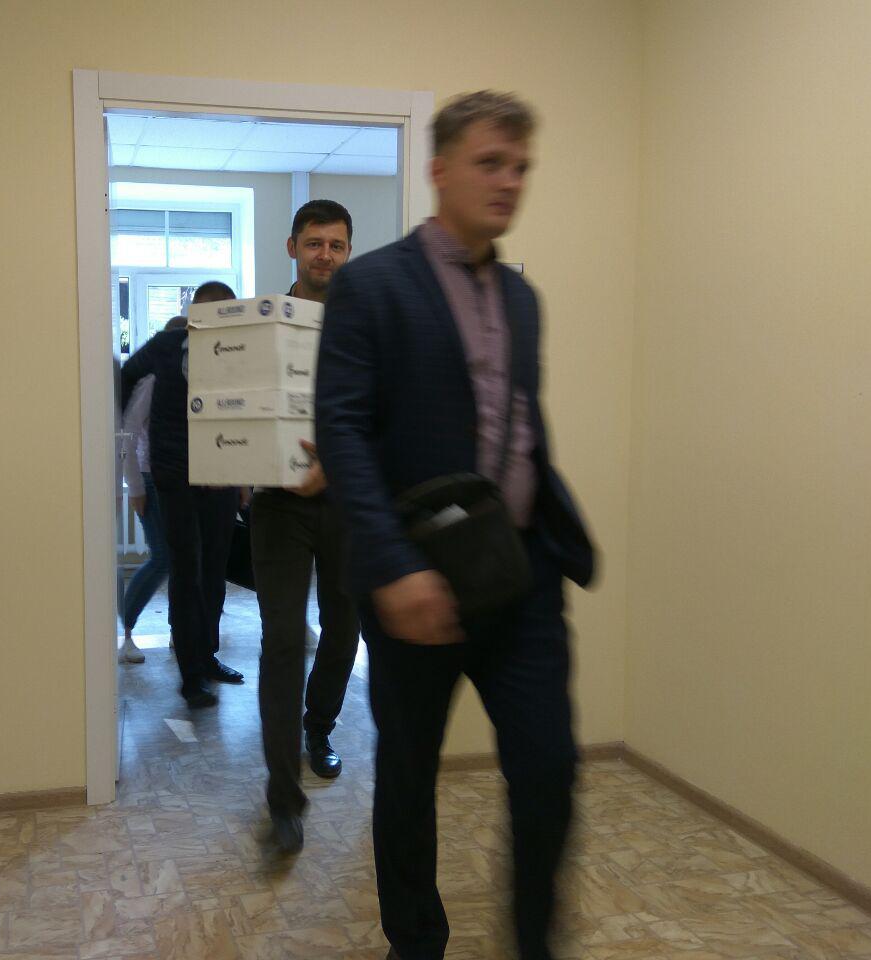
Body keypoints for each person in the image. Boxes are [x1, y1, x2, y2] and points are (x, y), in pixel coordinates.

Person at [315, 92, 596, 960]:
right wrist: (393, 566)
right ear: (439, 169)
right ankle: (416, 945)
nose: (509, 181)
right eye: (490, 163)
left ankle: (533, 944)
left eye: (521, 167)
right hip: (418, 582)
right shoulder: (371, 285)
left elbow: (518, 422)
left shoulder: (522, 298)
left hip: (522, 574)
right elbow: (342, 429)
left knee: (549, 767)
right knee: (408, 774)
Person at [252, 200, 361, 855]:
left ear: (349, 252)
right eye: (314, 242)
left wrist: (336, 466)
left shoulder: (366, 324)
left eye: (336, 245)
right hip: (278, 505)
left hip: (345, 502)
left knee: (345, 627)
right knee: (284, 639)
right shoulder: (262, 326)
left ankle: (318, 725)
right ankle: (283, 799)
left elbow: (381, 416)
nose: (325, 254)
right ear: (292, 247)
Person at [120, 284, 244, 709]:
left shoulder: (238, 351)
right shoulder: (166, 346)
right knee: (186, 574)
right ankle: (191, 676)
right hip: (176, 479)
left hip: (221, 478)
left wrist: (241, 475)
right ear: (192, 317)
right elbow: (126, 376)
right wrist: (146, 466)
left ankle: (207, 658)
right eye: (207, 316)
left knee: (214, 572)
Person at [117, 317, 189, 663]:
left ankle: (181, 631)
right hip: (151, 478)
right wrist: (135, 487)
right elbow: (128, 435)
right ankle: (126, 633)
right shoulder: (152, 380)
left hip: (178, 478)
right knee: (163, 559)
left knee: (182, 560)